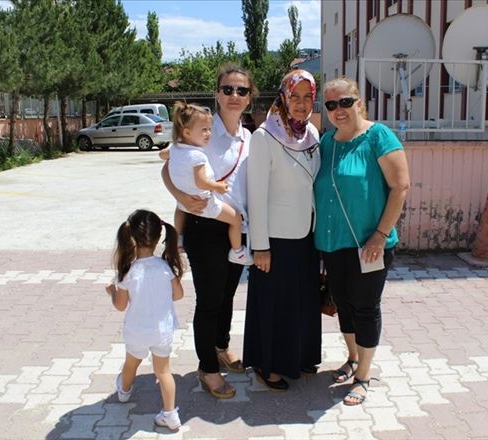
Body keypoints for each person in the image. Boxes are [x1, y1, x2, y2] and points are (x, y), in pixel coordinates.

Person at [160, 63, 256, 399]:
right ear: (217, 94)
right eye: (227, 89)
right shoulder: (201, 130)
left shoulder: (250, 137)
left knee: (227, 294)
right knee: (210, 300)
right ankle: (207, 368)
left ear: (249, 97)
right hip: (205, 227)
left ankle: (220, 346)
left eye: (241, 90)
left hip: (237, 226)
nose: (234, 95)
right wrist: (180, 195)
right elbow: (166, 165)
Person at [314, 77, 410, 405]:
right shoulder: (327, 142)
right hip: (333, 242)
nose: (338, 110)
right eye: (331, 104)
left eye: (345, 102)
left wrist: (380, 235)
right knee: (343, 303)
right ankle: (353, 358)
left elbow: (400, 187)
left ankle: (364, 376)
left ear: (359, 103)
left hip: (370, 245)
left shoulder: (378, 136)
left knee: (366, 308)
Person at [244, 69, 322, 391]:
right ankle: (269, 365)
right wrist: (260, 246)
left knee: (303, 300)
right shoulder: (265, 136)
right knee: (275, 304)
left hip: (307, 233)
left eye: (307, 97)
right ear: (283, 97)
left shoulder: (311, 133)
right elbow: (256, 194)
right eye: (295, 96)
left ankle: (300, 356)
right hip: (275, 238)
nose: (301, 104)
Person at [105, 209, 184, 431]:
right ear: (158, 237)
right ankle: (170, 415)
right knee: (164, 371)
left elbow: (120, 306)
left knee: (131, 364)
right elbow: (178, 295)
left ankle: (124, 392)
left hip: (137, 331)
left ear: (131, 237)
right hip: (162, 330)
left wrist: (112, 292)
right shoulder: (166, 267)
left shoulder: (128, 271)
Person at [162, 101, 252, 265]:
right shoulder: (198, 152)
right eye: (204, 130)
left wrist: (172, 152)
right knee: (236, 219)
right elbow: (201, 181)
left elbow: (163, 155)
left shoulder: (178, 147)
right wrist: (218, 186)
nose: (208, 134)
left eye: (242, 91)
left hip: (191, 205)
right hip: (206, 207)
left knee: (179, 209)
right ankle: (238, 252)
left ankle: (177, 238)